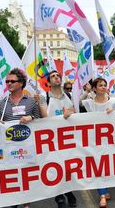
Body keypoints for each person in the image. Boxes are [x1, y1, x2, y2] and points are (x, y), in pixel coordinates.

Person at [0, 68, 40, 208]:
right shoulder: (2, 103)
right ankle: (14, 201)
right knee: (11, 175)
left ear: (21, 83)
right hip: (9, 146)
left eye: (12, 81)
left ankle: (26, 202)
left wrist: (31, 117)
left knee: (25, 176)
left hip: (27, 146)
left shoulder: (31, 102)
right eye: (7, 81)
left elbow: (41, 120)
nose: (8, 83)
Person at [38, 70, 77, 208]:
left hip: (65, 138)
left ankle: (69, 191)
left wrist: (69, 113)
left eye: (57, 76)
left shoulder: (67, 95)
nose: (56, 78)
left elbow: (74, 112)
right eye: (52, 77)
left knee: (67, 167)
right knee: (54, 168)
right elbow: (44, 117)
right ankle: (59, 197)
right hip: (50, 139)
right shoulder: (44, 97)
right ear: (48, 82)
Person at [82, 78, 115, 208]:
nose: (103, 87)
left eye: (105, 85)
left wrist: (114, 112)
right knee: (98, 165)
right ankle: (102, 194)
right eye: (100, 85)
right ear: (94, 88)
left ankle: (105, 188)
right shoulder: (88, 104)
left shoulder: (114, 102)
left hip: (111, 140)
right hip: (94, 141)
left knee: (108, 165)